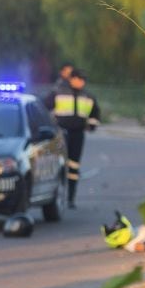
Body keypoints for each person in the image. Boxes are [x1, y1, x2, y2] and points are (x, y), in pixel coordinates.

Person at [44, 68, 100, 208]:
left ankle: (71, 198)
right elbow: (44, 107)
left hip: (78, 134)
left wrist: (92, 125)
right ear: (72, 79)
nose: (82, 82)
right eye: (79, 79)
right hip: (62, 133)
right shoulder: (59, 93)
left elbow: (95, 114)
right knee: (59, 164)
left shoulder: (88, 96)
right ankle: (55, 196)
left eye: (83, 80)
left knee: (74, 166)